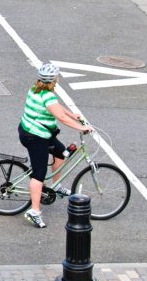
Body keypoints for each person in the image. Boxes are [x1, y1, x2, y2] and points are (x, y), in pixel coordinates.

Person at [17, 63, 92, 229]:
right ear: (54, 80)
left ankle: (56, 186)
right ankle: (34, 211)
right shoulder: (47, 96)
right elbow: (60, 117)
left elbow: (56, 108)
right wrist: (81, 127)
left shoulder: (35, 89)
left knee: (62, 153)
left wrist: (73, 114)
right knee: (39, 174)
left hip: (35, 131)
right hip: (35, 137)